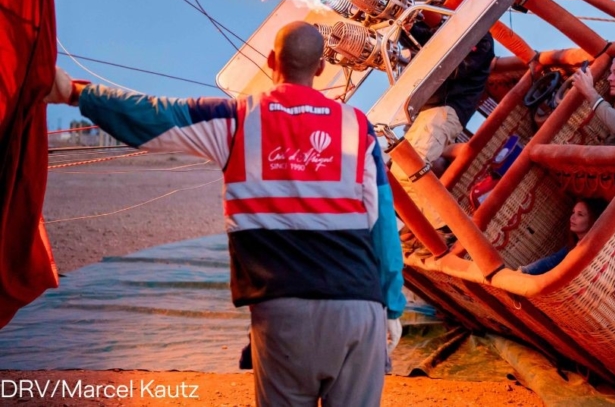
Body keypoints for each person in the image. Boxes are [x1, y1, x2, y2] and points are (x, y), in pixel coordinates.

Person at [45, 22, 404, 407]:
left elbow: (153, 115)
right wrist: (392, 305)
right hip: (360, 306)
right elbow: (383, 225)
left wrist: (74, 93)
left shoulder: (235, 119)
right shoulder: (358, 127)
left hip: (283, 309)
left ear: (270, 61)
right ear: (320, 68)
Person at [395, 31, 495, 229]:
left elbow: (451, 70)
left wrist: (417, 51)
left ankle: (447, 230)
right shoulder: (432, 30)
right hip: (426, 114)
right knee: (398, 172)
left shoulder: (480, 37)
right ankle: (437, 231)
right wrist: (407, 31)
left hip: (444, 111)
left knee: (409, 170)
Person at [521, 198, 608, 275]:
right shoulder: (572, 246)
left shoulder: (596, 247)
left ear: (593, 219)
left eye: (580, 214)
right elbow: (551, 261)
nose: (572, 218)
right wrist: (523, 271)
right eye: (573, 212)